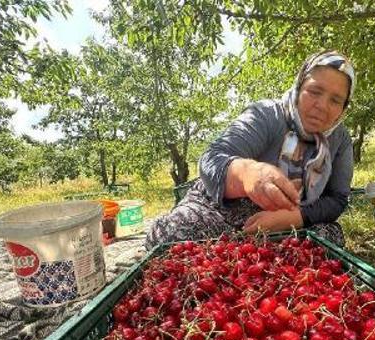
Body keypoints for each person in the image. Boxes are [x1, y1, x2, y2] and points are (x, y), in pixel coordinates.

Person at [146, 50, 355, 249]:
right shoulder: (266, 115)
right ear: (299, 87)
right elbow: (212, 159)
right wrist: (246, 173)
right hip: (223, 210)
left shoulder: (340, 139)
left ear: (343, 109)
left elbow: (336, 199)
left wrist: (294, 218)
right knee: (173, 233)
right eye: (314, 91)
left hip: (286, 218)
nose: (322, 105)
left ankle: (251, 255)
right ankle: (246, 250)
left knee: (329, 236)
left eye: (335, 100)